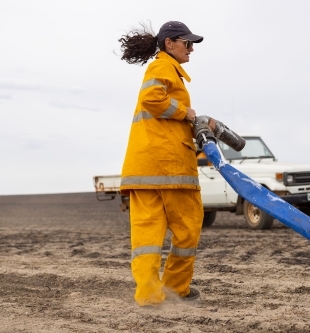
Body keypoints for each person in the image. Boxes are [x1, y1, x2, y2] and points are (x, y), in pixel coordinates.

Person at [118, 21, 204, 307]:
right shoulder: (163, 67)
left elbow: (155, 110)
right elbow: (153, 99)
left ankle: (149, 296)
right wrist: (187, 113)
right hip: (170, 168)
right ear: (170, 44)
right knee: (188, 229)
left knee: (146, 237)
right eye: (187, 43)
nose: (191, 49)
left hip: (142, 169)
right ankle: (176, 288)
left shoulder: (159, 67)